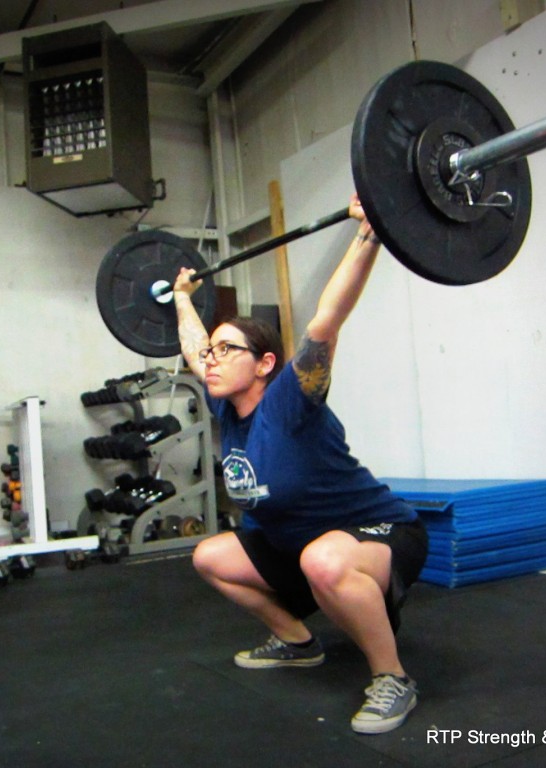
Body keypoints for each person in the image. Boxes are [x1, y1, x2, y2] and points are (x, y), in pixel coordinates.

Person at [172, 193, 428, 734]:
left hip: (377, 533)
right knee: (210, 556)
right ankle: (297, 641)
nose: (211, 361)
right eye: (211, 354)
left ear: (265, 364)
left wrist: (370, 234)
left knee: (324, 562)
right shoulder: (225, 403)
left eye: (227, 351)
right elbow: (194, 347)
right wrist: (180, 298)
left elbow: (327, 320)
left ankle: (392, 678)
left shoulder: (290, 400)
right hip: (297, 543)